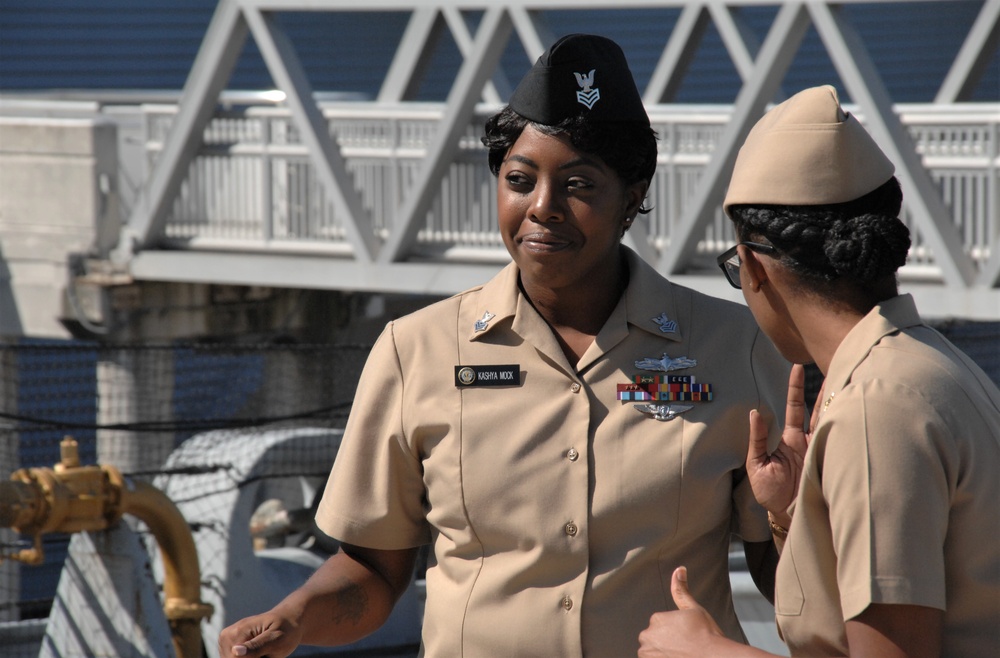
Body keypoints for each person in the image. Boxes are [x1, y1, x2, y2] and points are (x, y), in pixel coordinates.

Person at [219, 34, 790, 657]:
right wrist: (296, 617)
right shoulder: (415, 351)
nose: (542, 208)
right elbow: (373, 572)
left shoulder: (735, 346)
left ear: (631, 198)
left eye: (578, 185)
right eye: (520, 180)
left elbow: (782, 572)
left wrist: (797, 521)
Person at [637, 85, 1000, 657]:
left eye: (736, 266)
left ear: (755, 268)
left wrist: (710, 651)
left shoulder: (875, 408)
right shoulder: (931, 366)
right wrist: (794, 511)